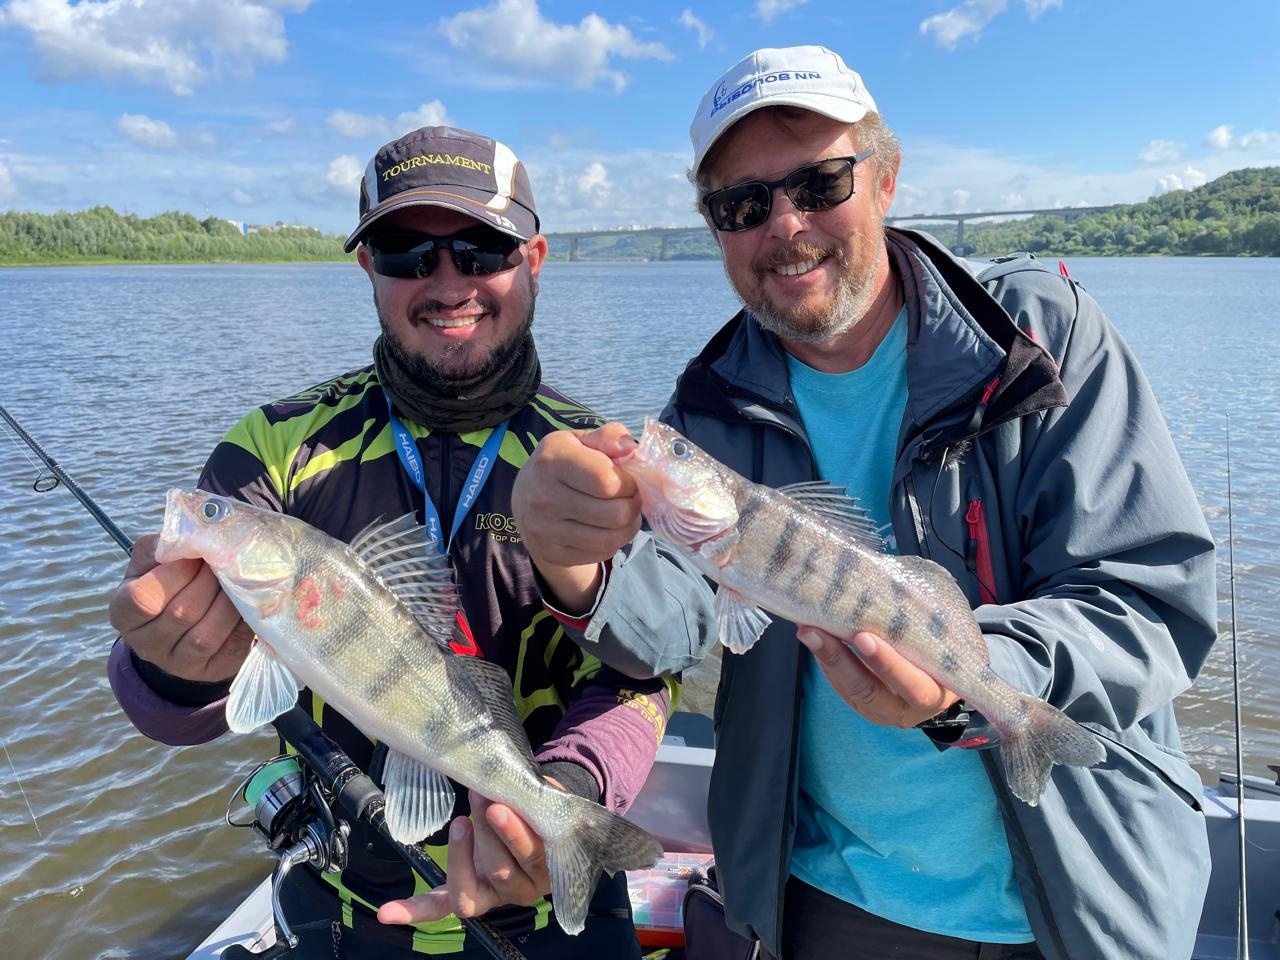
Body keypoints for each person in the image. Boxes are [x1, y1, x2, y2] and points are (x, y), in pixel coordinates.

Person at [512, 46, 1218, 960]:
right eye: (742, 204)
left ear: (884, 180)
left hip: (1081, 906)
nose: (786, 224)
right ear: (717, 230)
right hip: (827, 902)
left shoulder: (1041, 336)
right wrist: (573, 566)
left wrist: (971, 677)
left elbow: (1151, 600)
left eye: (821, 181)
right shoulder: (712, 404)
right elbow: (680, 628)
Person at [105, 124, 707, 959]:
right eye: (405, 251)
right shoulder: (274, 450)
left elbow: (651, 674)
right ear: (367, 268)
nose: (448, 279)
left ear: (533, 258)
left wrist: (559, 795)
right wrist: (171, 666)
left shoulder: (598, 464)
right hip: (345, 906)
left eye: (481, 247)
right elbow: (171, 710)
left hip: (553, 912)